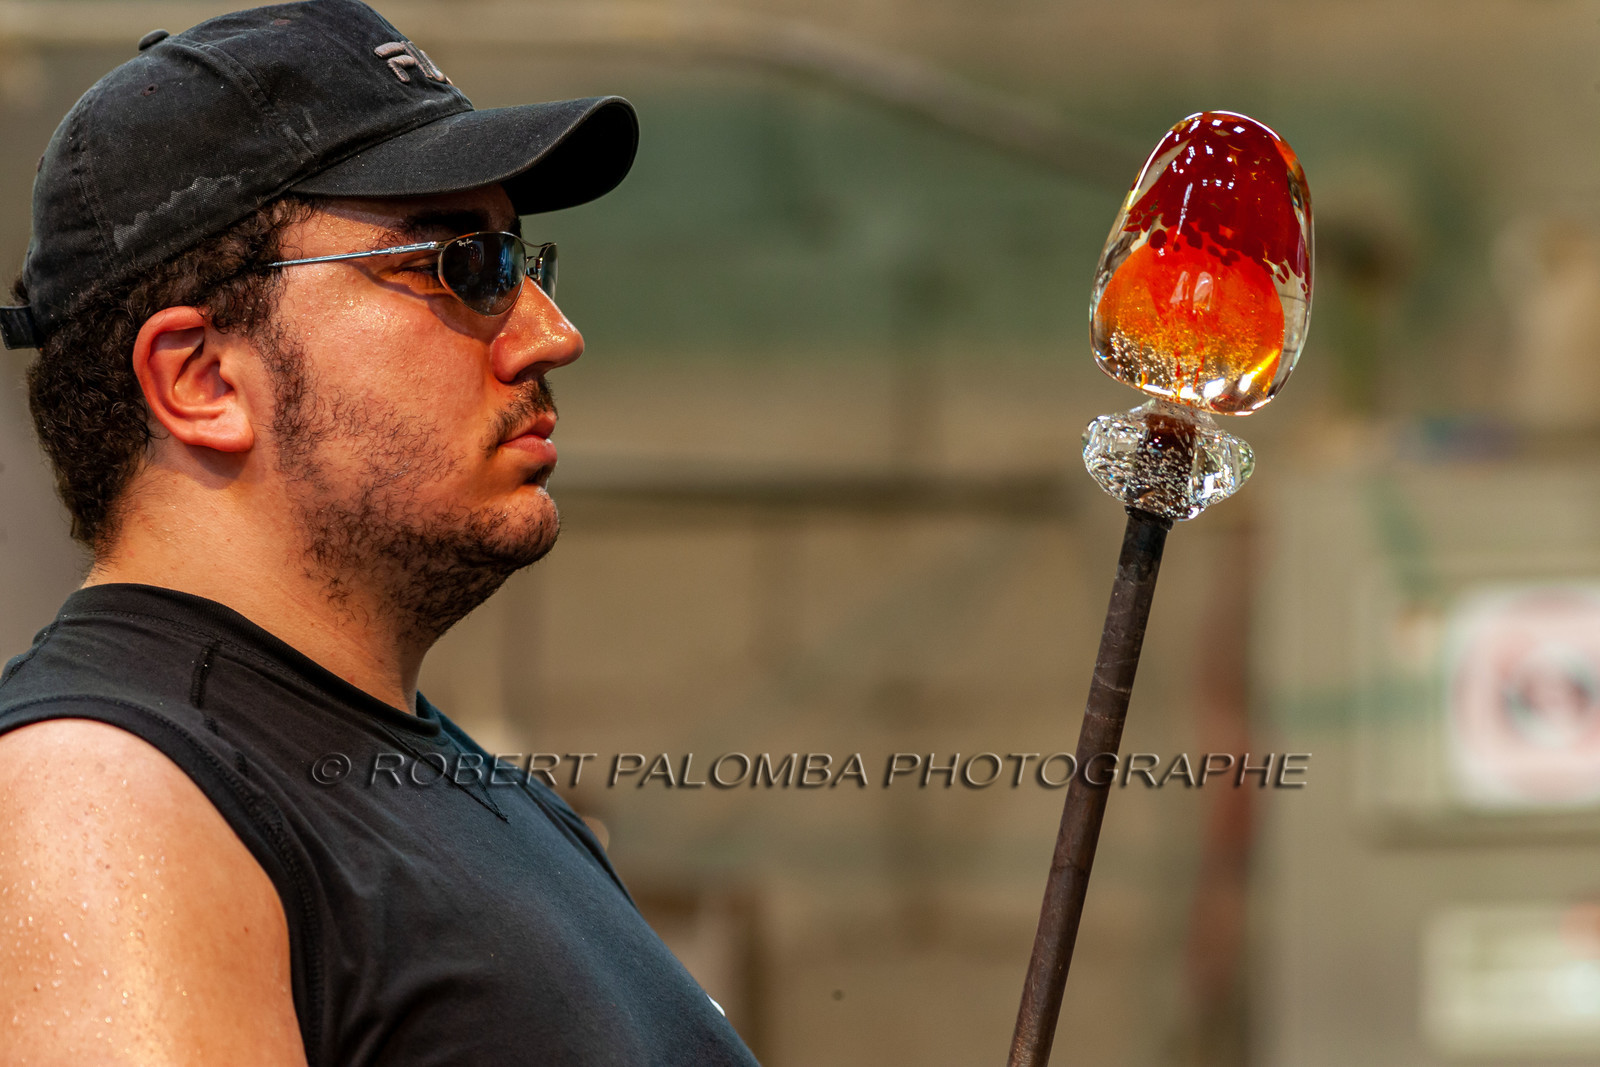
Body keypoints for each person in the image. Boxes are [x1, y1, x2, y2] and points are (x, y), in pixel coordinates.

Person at [0, 2, 760, 1063]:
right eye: (461, 260)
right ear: (202, 378)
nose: (553, 332)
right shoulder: (105, 795)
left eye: (523, 258)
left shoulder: (479, 797)